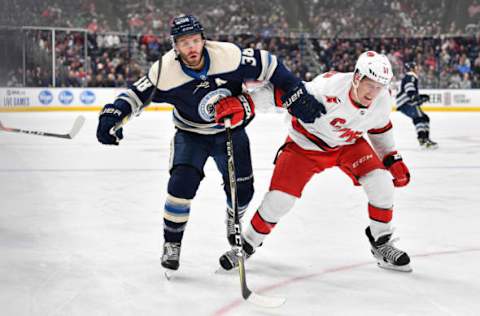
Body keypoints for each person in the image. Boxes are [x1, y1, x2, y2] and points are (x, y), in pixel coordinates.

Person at [96, 14, 325, 273]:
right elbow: (135, 95)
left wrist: (296, 91)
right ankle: (172, 243)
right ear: (175, 46)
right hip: (191, 134)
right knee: (181, 185)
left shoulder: (228, 56)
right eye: (184, 43)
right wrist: (113, 114)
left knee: (243, 191)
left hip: (231, 131)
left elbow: (271, 65)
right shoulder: (164, 71)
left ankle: (233, 217)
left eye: (195, 40)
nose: (191, 48)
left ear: (204, 39)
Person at [219, 51, 413, 273]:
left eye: (380, 86)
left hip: (347, 145)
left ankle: (382, 242)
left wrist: (391, 157)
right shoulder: (326, 89)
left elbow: (378, 127)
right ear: (357, 77)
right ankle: (246, 245)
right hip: (305, 145)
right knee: (279, 201)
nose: (374, 92)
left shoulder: (382, 99)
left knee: (381, 183)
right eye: (370, 84)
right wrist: (246, 103)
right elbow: (280, 92)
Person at [396, 61, 438, 149]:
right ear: (411, 68)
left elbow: (411, 92)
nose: (417, 69)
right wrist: (416, 98)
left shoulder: (409, 76)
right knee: (420, 118)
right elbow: (410, 89)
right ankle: (423, 140)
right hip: (406, 102)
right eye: (416, 67)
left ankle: (425, 139)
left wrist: (419, 98)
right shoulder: (411, 76)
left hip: (405, 103)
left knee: (424, 118)